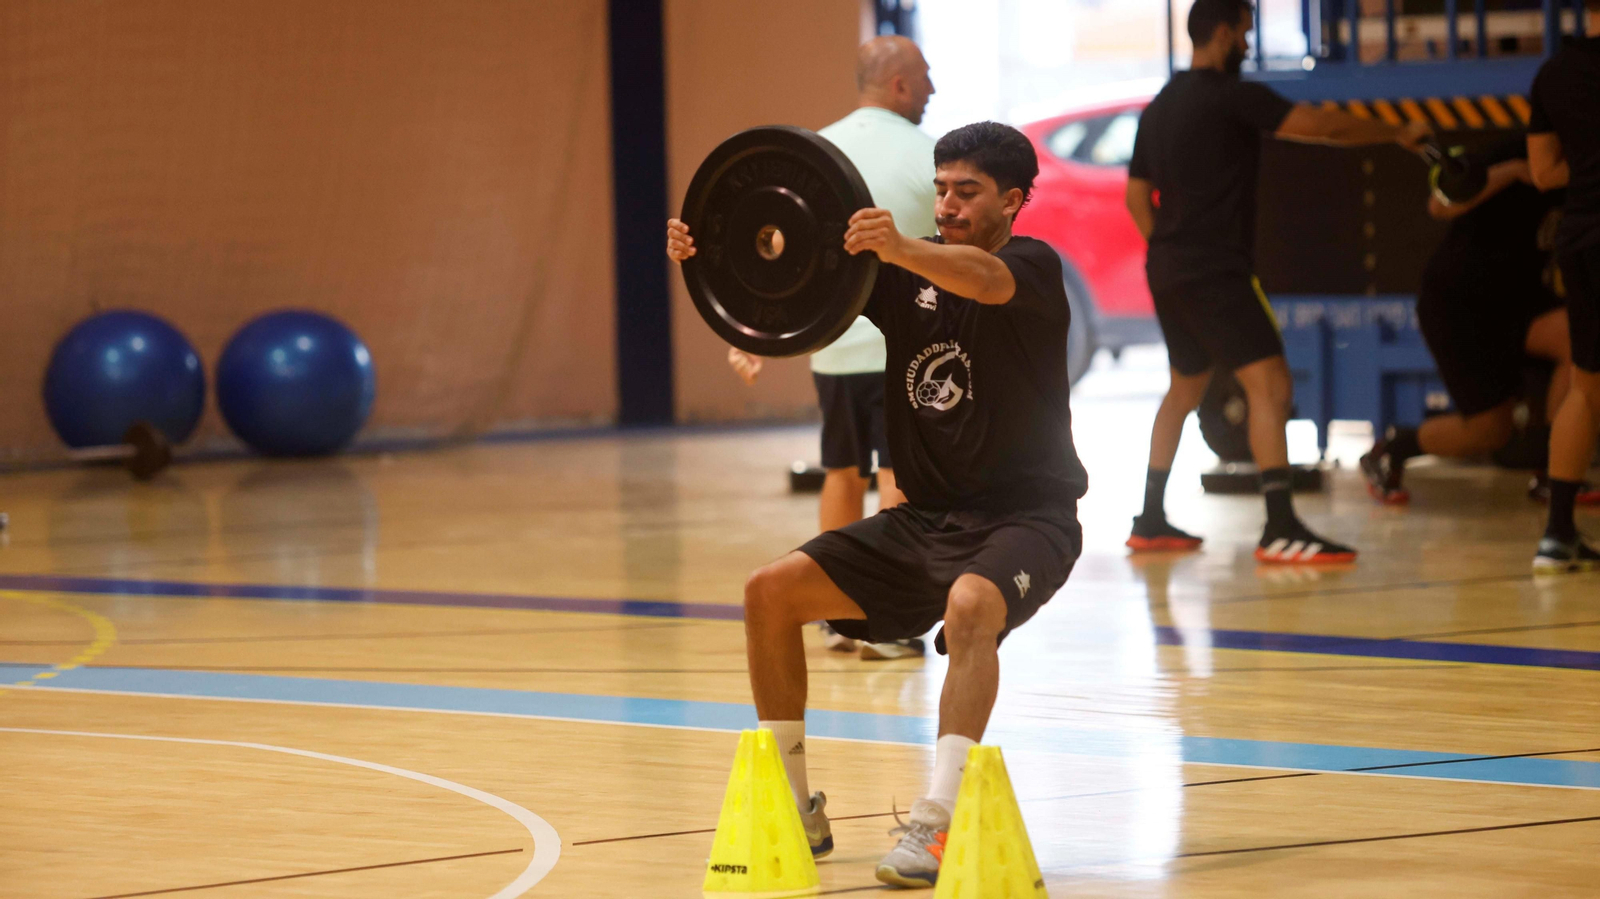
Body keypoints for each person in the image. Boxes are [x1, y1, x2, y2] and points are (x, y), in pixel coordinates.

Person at [668, 121, 1086, 889]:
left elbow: (983, 282)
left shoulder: (1032, 266)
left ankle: (937, 816)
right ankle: (797, 808)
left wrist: (896, 246)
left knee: (970, 605)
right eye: (941, 189)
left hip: (1029, 520)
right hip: (923, 521)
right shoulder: (903, 274)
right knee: (769, 592)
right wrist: (715, 258)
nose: (948, 204)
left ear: (1014, 200)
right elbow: (799, 276)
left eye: (968, 191)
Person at [1124, 0, 1432, 563]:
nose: (1247, 42)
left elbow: (1135, 197)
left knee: (1185, 386)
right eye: (1245, 31)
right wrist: (1396, 133)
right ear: (1222, 34)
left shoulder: (1160, 106)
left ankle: (1149, 519)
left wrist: (1170, 249)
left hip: (1168, 269)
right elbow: (1326, 127)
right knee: (1271, 386)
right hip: (1216, 270)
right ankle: (1281, 527)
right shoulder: (1233, 96)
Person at [725, 35, 938, 661]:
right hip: (903, 345)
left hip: (833, 348)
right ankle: (891, 617)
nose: (933, 88)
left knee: (842, 470)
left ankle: (837, 611)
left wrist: (751, 338)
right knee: (898, 475)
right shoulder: (931, 156)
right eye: (925, 75)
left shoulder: (813, 155)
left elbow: (767, 251)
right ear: (899, 85)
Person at [1361, 138, 1590, 506]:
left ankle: (1555, 472)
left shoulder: (1583, 167)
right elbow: (1439, 205)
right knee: (1490, 430)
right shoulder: (1509, 151)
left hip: (1520, 296)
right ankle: (1392, 449)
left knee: (1576, 334)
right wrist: (1515, 172)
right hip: (1460, 303)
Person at [1526, 21, 1600, 572]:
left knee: (1586, 386)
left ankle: (1557, 534)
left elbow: (1544, 172)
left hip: (1580, 240)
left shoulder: (1555, 72)